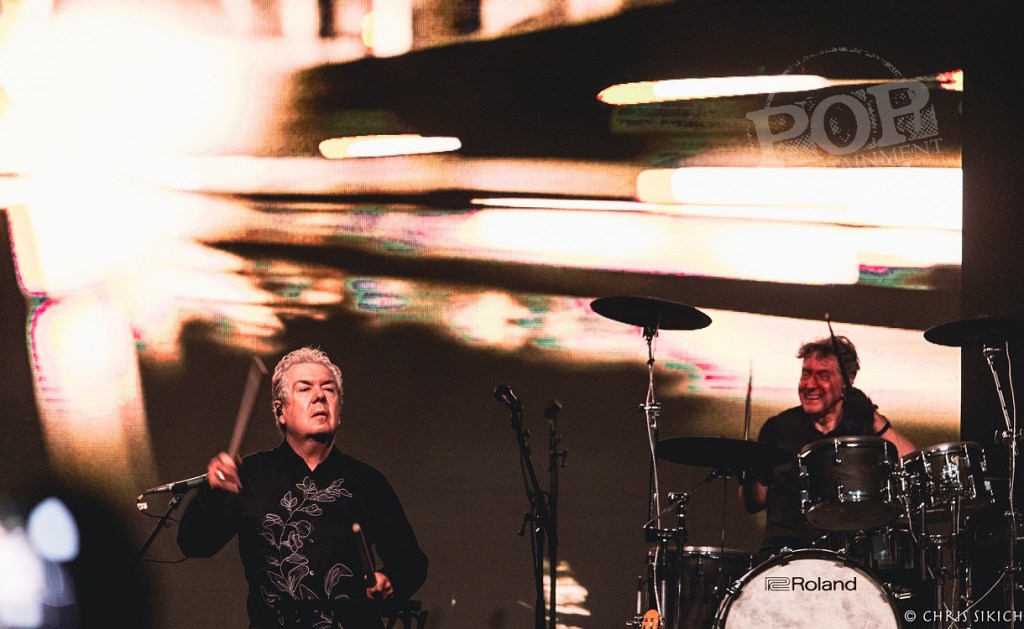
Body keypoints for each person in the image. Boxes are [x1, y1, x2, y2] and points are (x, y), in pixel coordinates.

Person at [177, 347, 428, 628]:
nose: (320, 396)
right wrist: (211, 493)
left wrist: (390, 581)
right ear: (280, 411)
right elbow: (194, 543)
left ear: (338, 410)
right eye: (305, 388)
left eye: (329, 389)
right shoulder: (249, 476)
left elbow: (412, 562)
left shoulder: (367, 482)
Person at [738, 336, 916, 560]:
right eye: (806, 374)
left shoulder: (862, 427)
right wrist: (745, 473)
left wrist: (873, 417)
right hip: (784, 557)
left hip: (850, 560)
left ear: (848, 381)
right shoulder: (778, 428)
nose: (810, 385)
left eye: (822, 376)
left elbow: (914, 466)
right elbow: (754, 503)